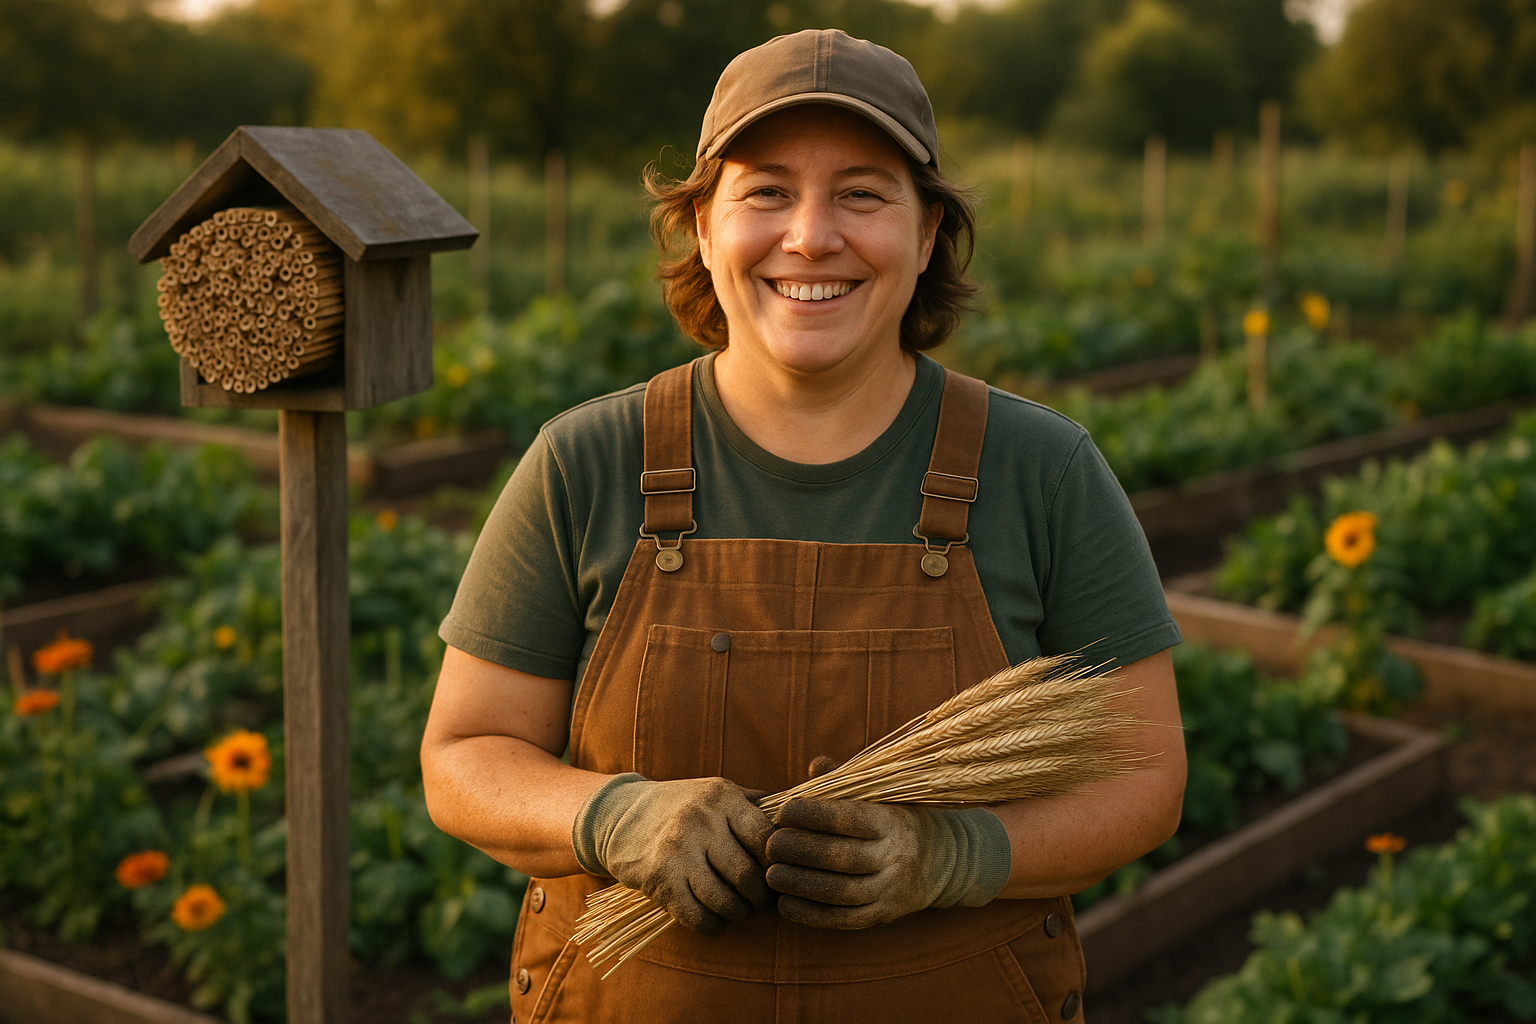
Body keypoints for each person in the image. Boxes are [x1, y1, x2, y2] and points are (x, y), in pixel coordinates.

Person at [421, 28, 1186, 1024]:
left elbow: (1146, 775)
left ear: (926, 235)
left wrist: (949, 855)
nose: (812, 236)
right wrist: (612, 815)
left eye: (863, 194)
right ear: (704, 227)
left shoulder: (1042, 473)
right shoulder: (585, 463)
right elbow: (465, 755)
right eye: (766, 191)